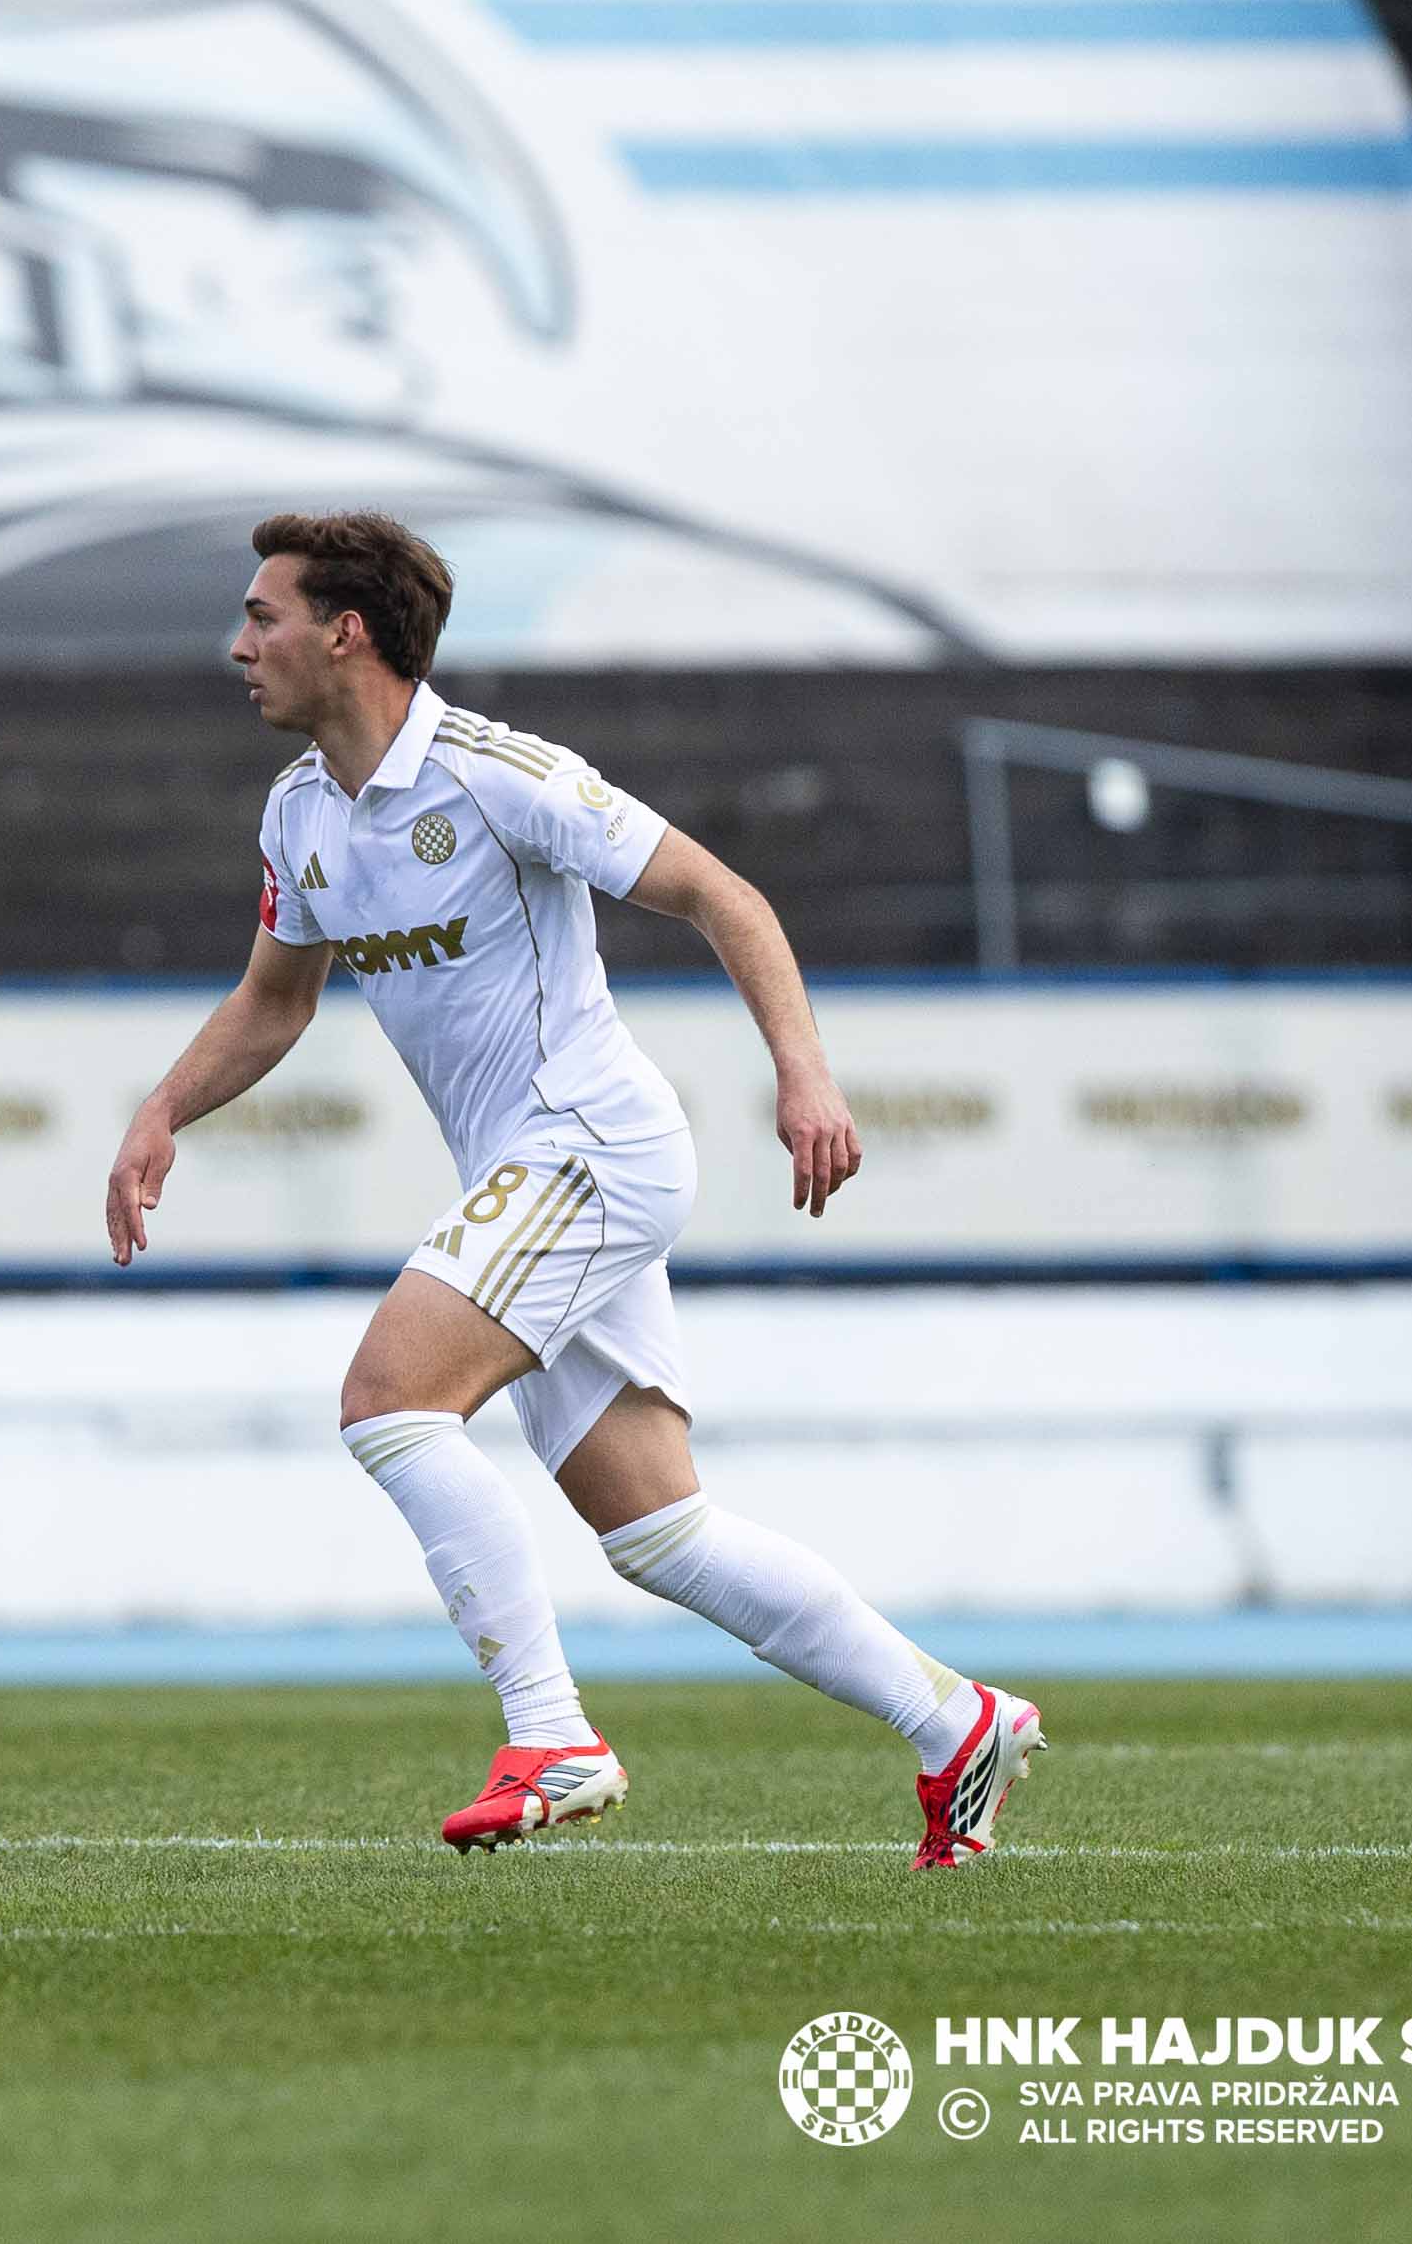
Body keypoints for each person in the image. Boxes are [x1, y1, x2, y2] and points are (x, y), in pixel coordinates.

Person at [105, 510, 1043, 1866]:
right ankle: (956, 1722)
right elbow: (275, 1000)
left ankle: (552, 1736)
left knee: (390, 1401)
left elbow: (724, 894)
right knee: (660, 1533)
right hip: (533, 1174)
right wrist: (162, 1111)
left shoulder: (501, 776)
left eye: (263, 616)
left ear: (345, 633)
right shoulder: (298, 811)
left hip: (589, 1145)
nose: (238, 646)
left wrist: (805, 1076)